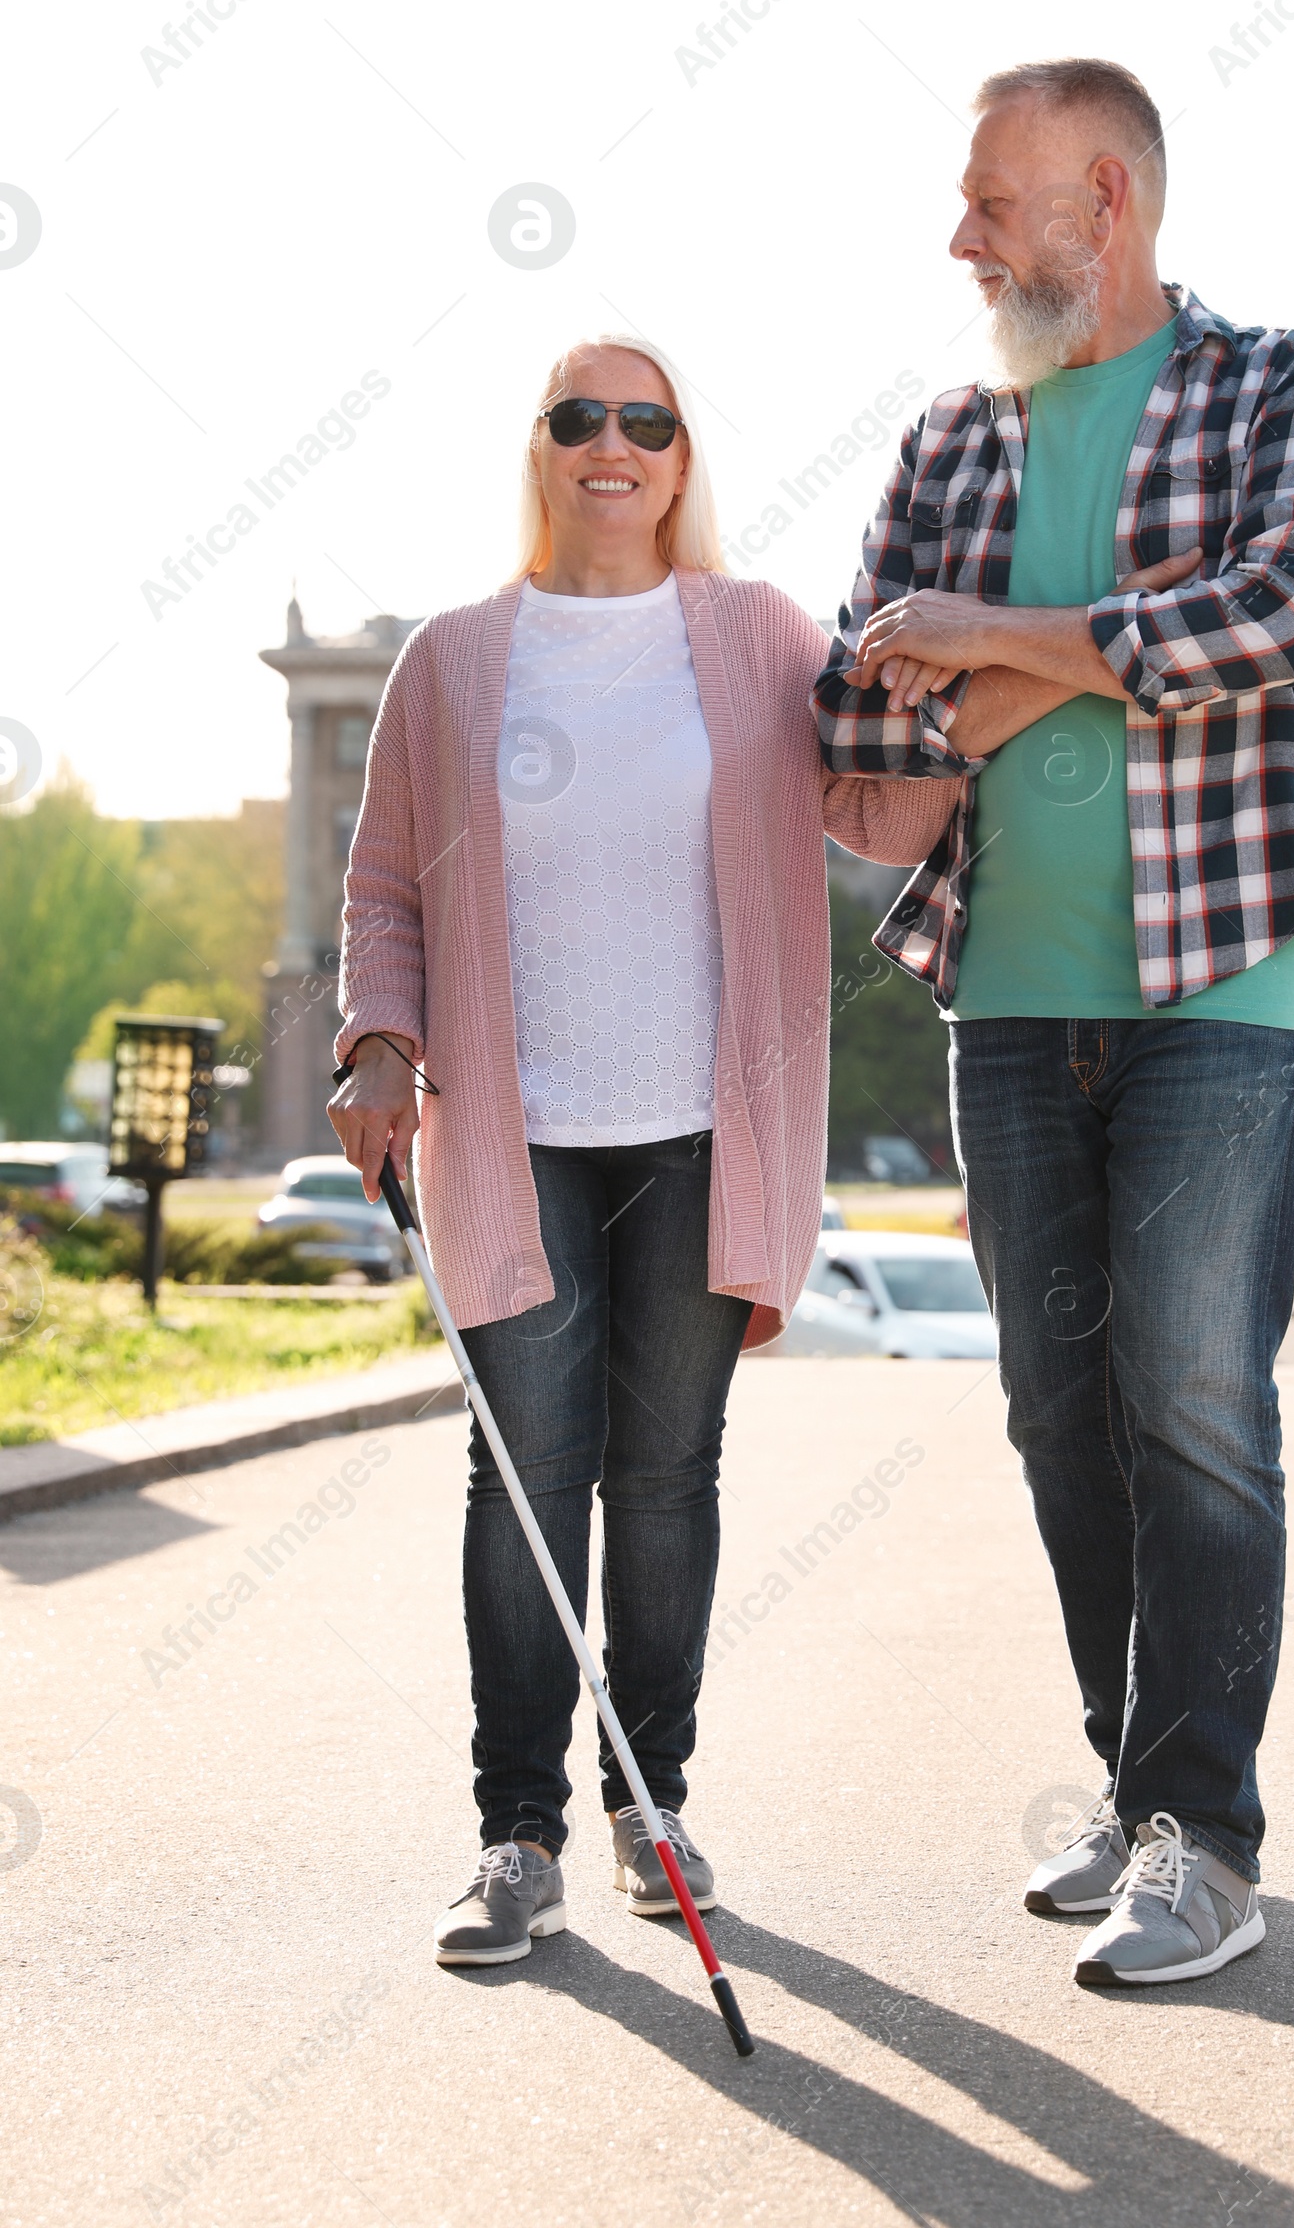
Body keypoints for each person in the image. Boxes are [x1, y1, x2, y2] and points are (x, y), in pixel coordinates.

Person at [814, 57, 1294, 1986]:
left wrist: (1002, 655)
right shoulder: (952, 436)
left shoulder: (1273, 381)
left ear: (1105, 200)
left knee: (1193, 1411)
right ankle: (1136, 1802)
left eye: (994, 201)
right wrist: (1082, 661)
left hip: (1224, 980)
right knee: (1059, 1420)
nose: (963, 238)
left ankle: (1206, 1839)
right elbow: (863, 713)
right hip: (1009, 996)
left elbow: (1272, 615)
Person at [330, 333, 956, 1966]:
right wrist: (380, 1041)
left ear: (683, 457)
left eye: (647, 420)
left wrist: (975, 671)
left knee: (666, 1478)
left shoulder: (755, 636)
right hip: (509, 1132)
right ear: (539, 447)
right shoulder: (451, 662)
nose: (613, 444)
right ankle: (514, 1836)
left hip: (706, 1126)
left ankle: (648, 1807)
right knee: (525, 1478)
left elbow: (882, 815)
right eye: (579, 417)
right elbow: (387, 887)